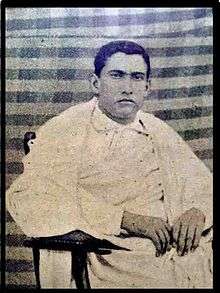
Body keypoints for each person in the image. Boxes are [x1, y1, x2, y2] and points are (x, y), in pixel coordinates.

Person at [6, 40, 213, 288]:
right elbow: (32, 195)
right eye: (117, 76)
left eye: (137, 77)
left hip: (179, 247)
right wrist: (126, 220)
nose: (128, 87)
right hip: (108, 254)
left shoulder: (157, 129)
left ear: (147, 87)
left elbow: (202, 184)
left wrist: (196, 212)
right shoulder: (66, 128)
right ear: (96, 83)